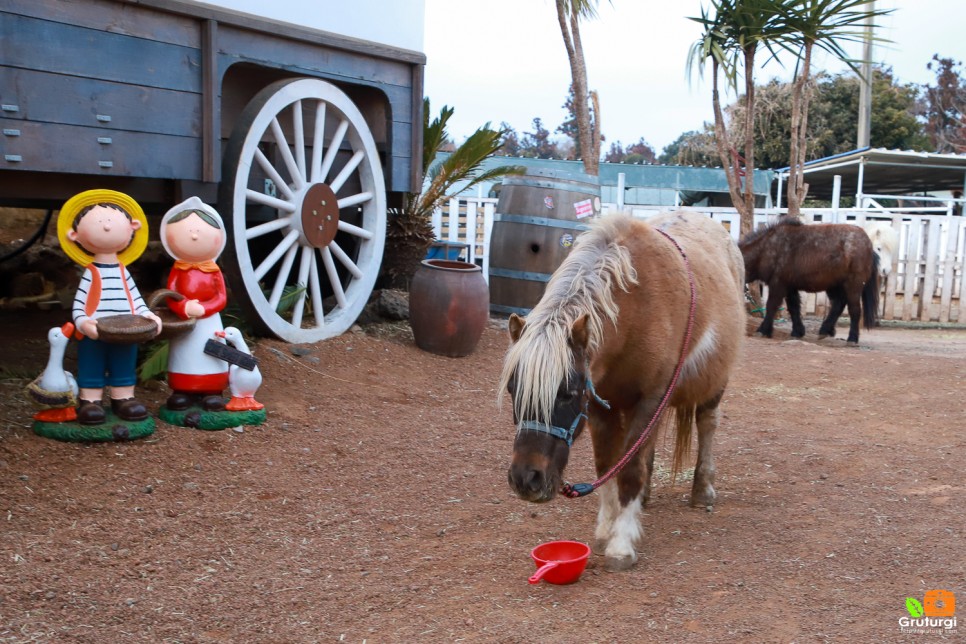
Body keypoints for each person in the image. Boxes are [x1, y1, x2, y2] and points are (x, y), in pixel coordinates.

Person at [58, 190, 162, 425]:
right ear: (74, 235)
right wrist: (84, 323)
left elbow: (135, 299)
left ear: (133, 227)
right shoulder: (91, 274)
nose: (106, 227)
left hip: (126, 331)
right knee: (91, 363)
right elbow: (79, 306)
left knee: (123, 361)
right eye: (99, 222)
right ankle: (91, 400)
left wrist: (148, 316)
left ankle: (123, 397)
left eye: (112, 221)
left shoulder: (123, 273)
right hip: (95, 331)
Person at [159, 197, 230, 412]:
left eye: (200, 229)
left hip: (209, 324)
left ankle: (213, 391)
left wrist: (205, 309)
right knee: (185, 353)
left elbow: (221, 298)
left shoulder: (214, 270)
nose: (194, 234)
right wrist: (183, 307)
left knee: (211, 354)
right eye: (187, 230)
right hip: (185, 323)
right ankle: (182, 391)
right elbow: (171, 295)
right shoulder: (178, 269)